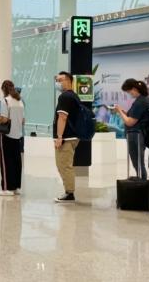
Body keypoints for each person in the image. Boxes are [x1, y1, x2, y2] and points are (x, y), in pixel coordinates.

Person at [114, 79, 149, 180]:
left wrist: (119, 112)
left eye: (129, 91)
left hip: (135, 134)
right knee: (138, 160)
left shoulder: (140, 102)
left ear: (134, 89)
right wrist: (124, 113)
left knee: (137, 160)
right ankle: (141, 179)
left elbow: (130, 122)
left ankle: (142, 181)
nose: (129, 94)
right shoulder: (145, 100)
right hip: (139, 134)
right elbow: (134, 117)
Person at [53, 71, 81, 203]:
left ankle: (69, 193)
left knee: (64, 165)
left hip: (66, 137)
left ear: (68, 81)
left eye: (60, 80)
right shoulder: (74, 96)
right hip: (72, 136)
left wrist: (59, 137)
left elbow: (62, 117)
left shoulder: (65, 97)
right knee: (65, 164)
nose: (57, 83)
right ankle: (69, 191)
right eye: (57, 80)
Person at [0, 80, 25, 196]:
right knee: (17, 161)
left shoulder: (6, 101)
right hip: (18, 135)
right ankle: (16, 187)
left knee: (6, 162)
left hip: (7, 135)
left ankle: (6, 188)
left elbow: (4, 119)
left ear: (3, 89)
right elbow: (23, 120)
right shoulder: (19, 101)